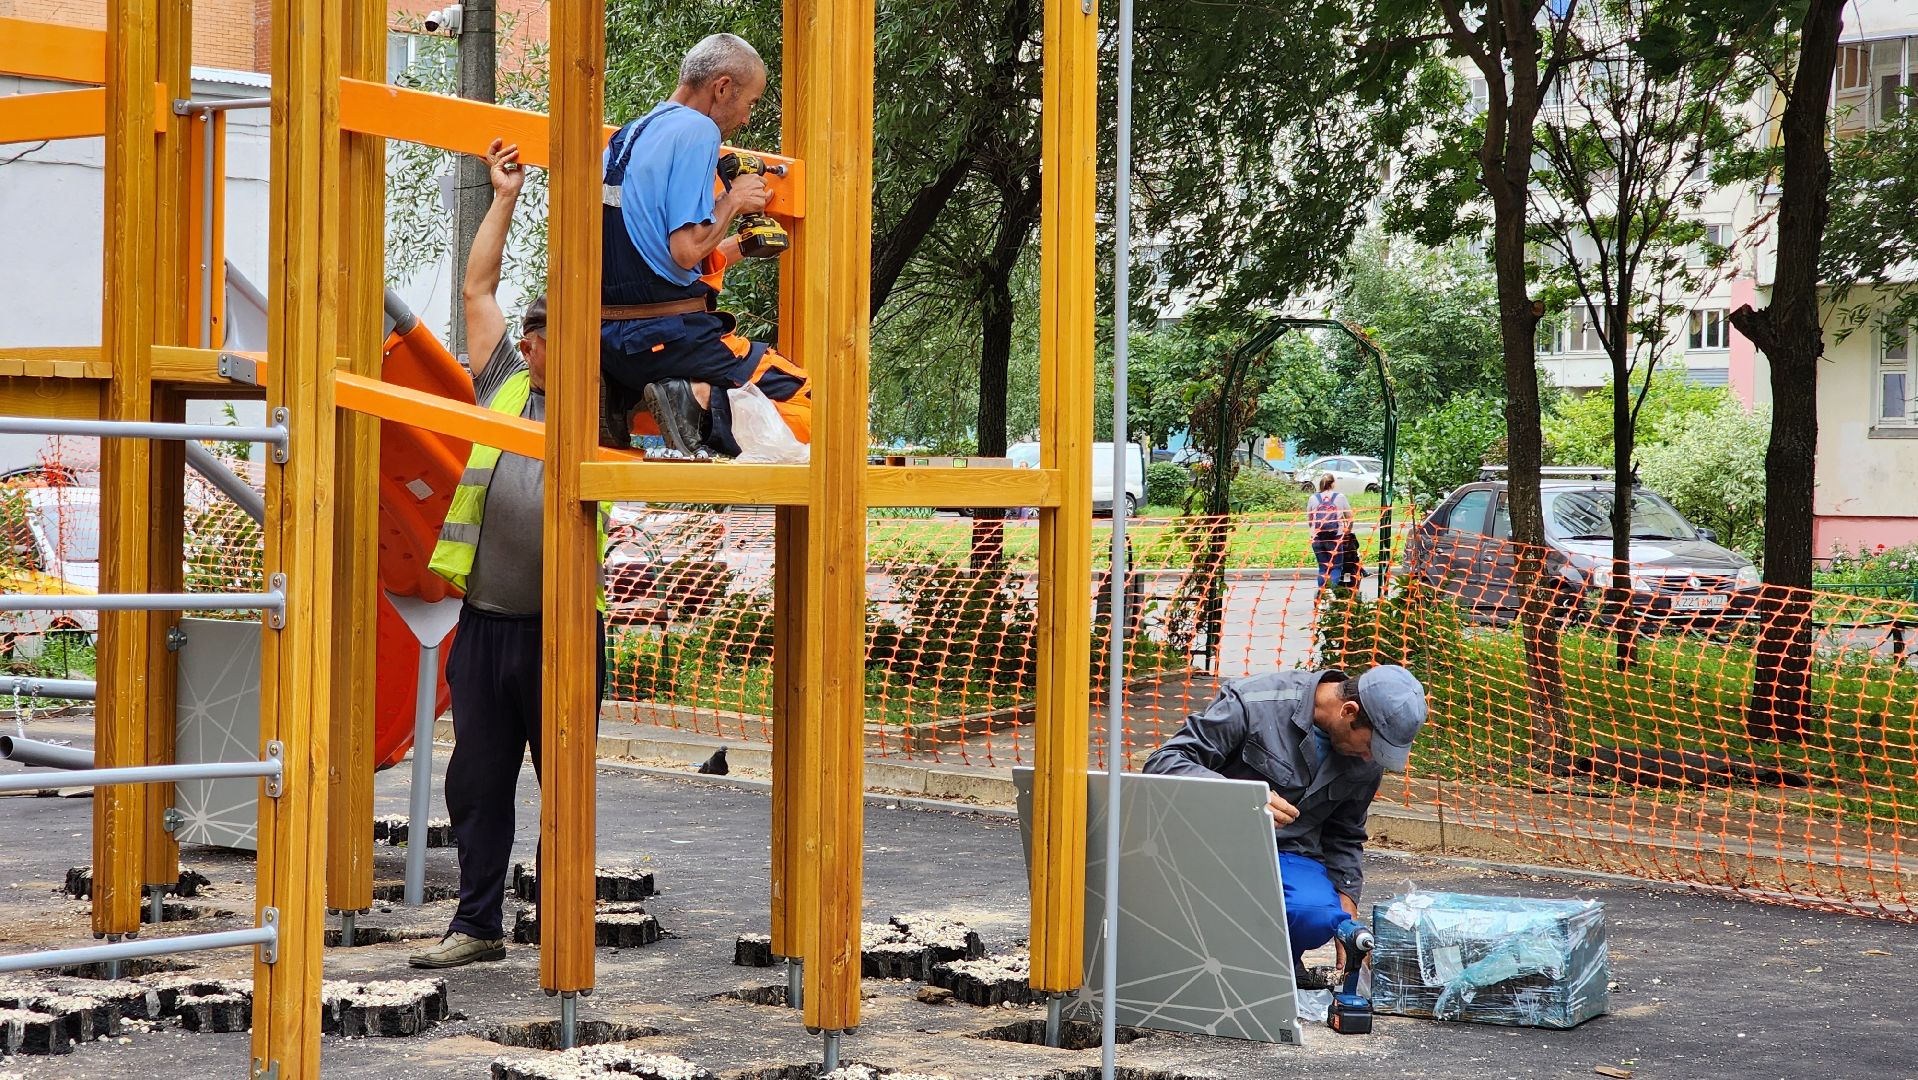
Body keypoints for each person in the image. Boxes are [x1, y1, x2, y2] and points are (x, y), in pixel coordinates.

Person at [410, 139, 607, 969]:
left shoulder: (602, 401)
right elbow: (477, 289)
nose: (558, 344)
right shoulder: (503, 384)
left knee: (566, 786)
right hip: (487, 625)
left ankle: (563, 929)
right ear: (528, 345)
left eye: (574, 332)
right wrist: (504, 197)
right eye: (547, 334)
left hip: (563, 630)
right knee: (478, 784)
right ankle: (477, 927)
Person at [1142, 664, 1428, 989]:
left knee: (1318, 915)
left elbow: (1345, 834)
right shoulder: (1254, 702)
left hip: (1292, 855)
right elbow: (1164, 763)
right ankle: (1202, 964)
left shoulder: (1368, 759)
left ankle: (1275, 968)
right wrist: (1242, 799)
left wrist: (1346, 909)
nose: (1369, 758)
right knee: (1196, 903)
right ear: (1349, 711)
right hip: (1213, 842)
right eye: (1371, 747)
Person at [599, 32, 813, 459]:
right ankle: (695, 399)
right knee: (810, 400)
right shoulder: (697, 130)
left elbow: (658, 257)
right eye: (751, 102)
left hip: (611, 342)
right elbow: (685, 249)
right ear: (722, 87)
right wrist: (733, 201)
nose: (747, 118)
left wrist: (739, 245)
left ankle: (627, 399)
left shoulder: (626, 138)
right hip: (669, 338)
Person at [1306, 473, 1353, 590]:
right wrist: (1347, 531)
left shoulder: (1313, 498)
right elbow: (1350, 518)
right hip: (1335, 537)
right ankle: (1331, 592)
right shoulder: (1340, 497)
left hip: (1317, 538)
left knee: (1323, 568)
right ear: (1332, 484)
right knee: (1336, 567)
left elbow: (1310, 520)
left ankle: (1322, 594)